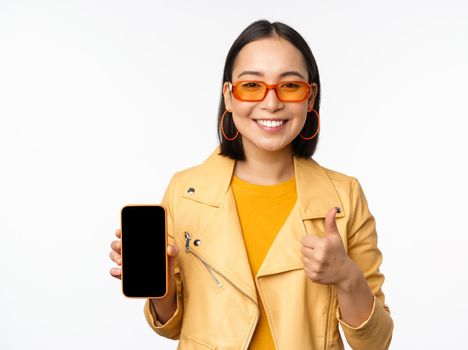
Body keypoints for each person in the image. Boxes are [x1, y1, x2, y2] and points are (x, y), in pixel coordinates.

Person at [109, 19, 393, 350]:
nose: (271, 103)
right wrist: (163, 286)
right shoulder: (185, 192)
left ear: (310, 97)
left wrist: (347, 276)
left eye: (290, 86)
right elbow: (172, 327)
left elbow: (375, 342)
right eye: (252, 86)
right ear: (229, 96)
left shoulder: (344, 196)